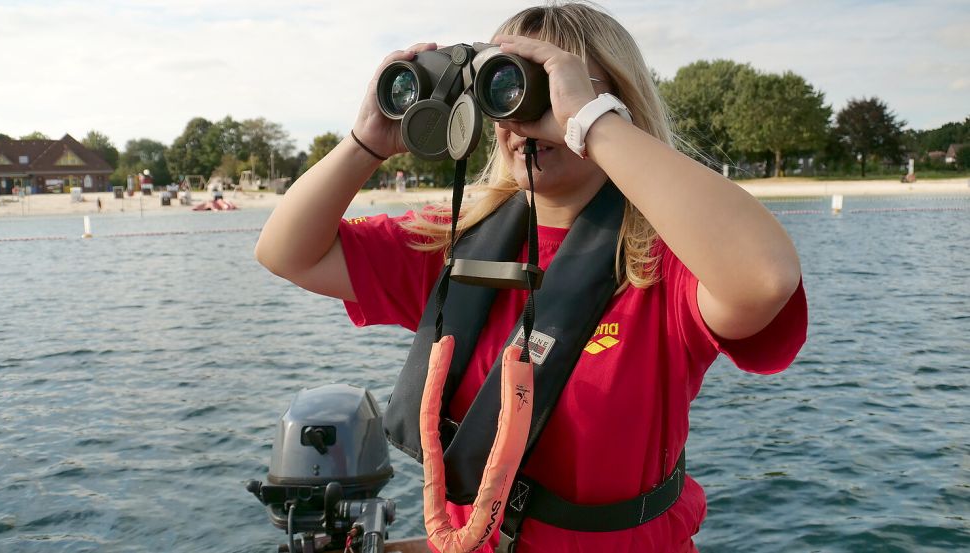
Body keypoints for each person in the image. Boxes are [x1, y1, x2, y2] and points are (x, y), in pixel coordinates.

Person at [255, 3, 807, 552]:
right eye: (502, 86)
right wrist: (367, 144)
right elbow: (289, 253)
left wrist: (590, 124)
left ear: (615, 106)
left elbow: (762, 278)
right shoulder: (454, 240)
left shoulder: (668, 262)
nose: (522, 116)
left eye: (548, 90)